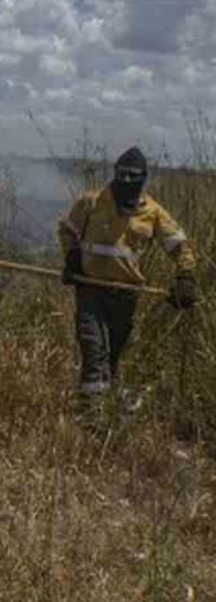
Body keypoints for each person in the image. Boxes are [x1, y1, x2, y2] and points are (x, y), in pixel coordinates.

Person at [56, 146, 197, 416]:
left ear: (143, 178)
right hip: (90, 290)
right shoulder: (92, 202)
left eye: (134, 176)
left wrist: (185, 278)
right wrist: (72, 257)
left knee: (113, 356)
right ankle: (90, 417)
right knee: (93, 350)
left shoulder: (153, 212)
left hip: (126, 295)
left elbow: (179, 246)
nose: (128, 181)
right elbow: (67, 230)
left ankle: (107, 404)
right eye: (123, 175)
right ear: (115, 173)